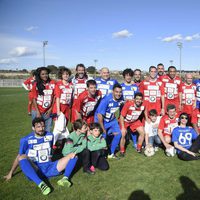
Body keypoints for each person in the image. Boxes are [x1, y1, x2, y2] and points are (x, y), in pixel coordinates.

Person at [15, 117, 77, 195]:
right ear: (33, 128)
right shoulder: (25, 140)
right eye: (38, 127)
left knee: (73, 156)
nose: (41, 129)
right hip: (36, 170)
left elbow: (50, 149)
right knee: (22, 157)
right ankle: (41, 184)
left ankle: (65, 179)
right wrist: (11, 173)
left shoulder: (50, 135)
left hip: (50, 167)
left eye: (43, 126)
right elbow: (19, 156)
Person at [94, 83, 123, 159]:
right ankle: (101, 155)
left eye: (120, 92)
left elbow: (125, 102)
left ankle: (111, 153)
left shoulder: (121, 98)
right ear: (112, 91)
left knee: (118, 134)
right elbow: (99, 115)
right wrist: (103, 129)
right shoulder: (106, 100)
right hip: (101, 120)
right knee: (103, 136)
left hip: (111, 119)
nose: (118, 94)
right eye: (116, 92)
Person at [32, 67, 56, 132]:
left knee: (48, 131)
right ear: (39, 75)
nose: (45, 75)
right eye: (42, 74)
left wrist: (50, 109)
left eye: (46, 74)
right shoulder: (35, 84)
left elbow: (54, 96)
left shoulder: (53, 83)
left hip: (48, 112)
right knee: (37, 131)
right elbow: (34, 98)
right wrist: (37, 112)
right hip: (37, 111)